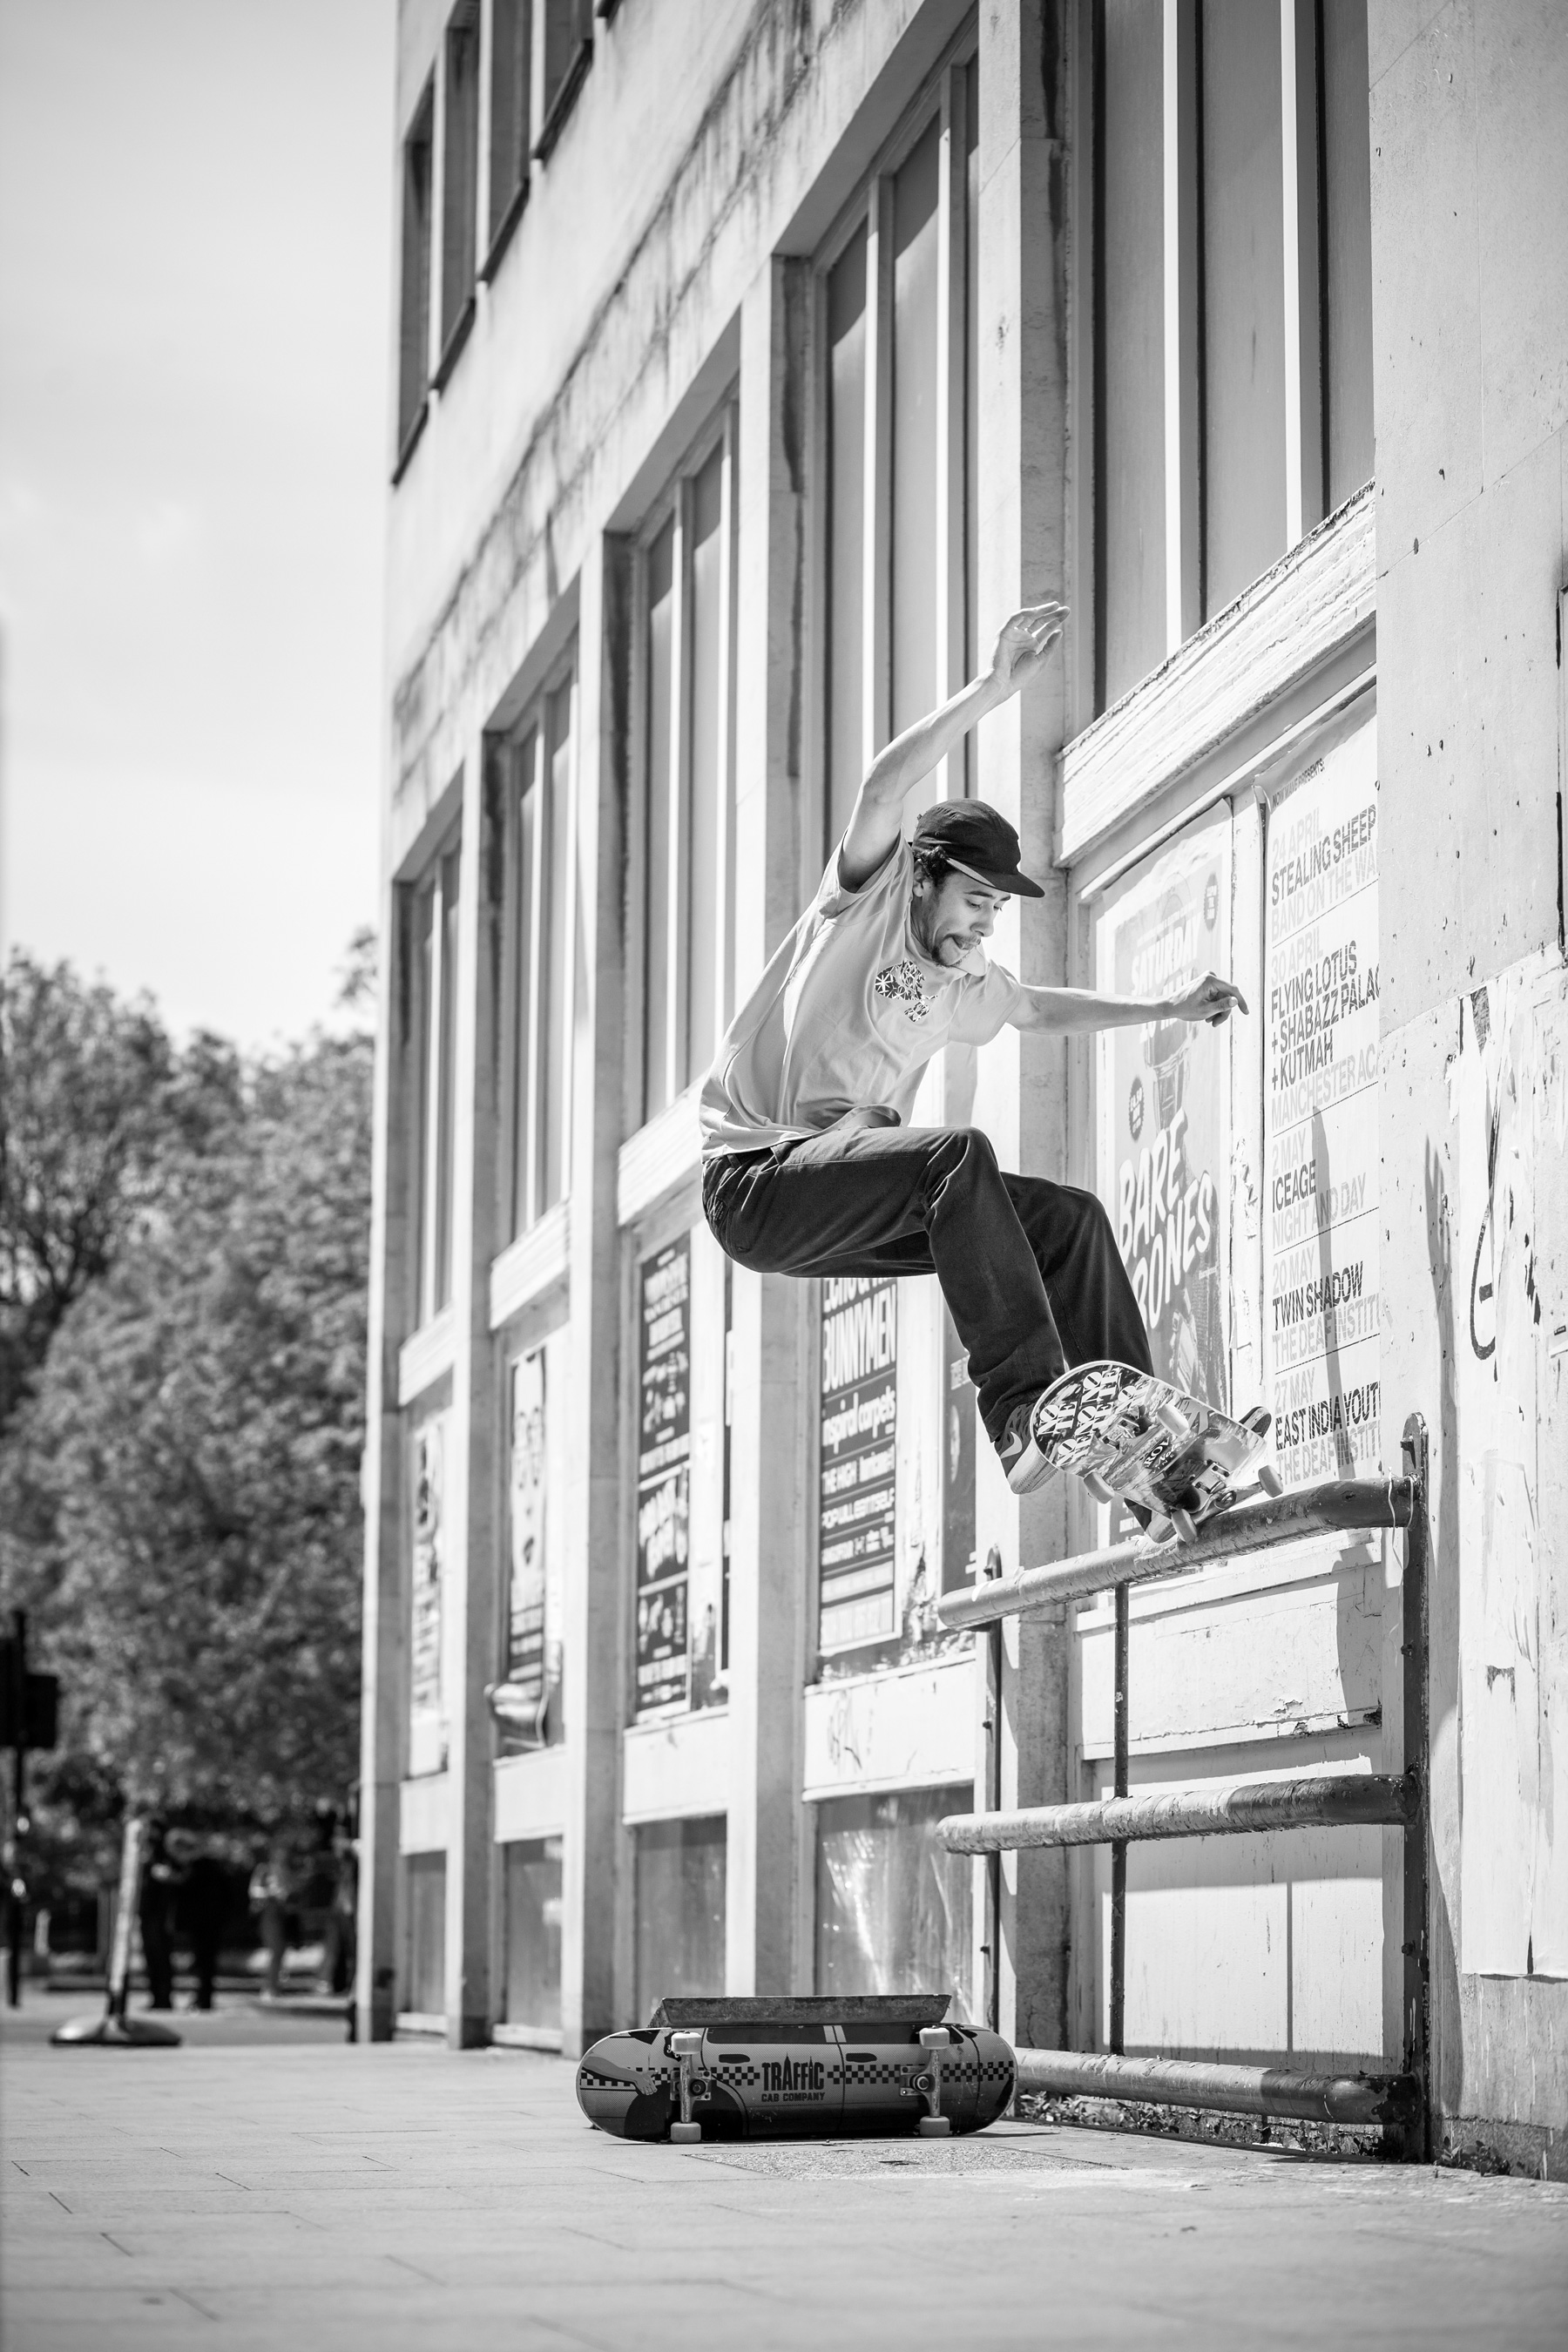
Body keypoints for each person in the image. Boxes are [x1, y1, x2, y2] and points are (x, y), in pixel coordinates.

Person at [700, 604, 1247, 1494]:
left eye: (995, 910)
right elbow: (883, 786)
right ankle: (1022, 1412)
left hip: (845, 1195)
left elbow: (1036, 1009)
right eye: (972, 900)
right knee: (955, 1157)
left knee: (1068, 1222)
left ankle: (1150, 1451)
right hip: (756, 1183)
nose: (982, 924)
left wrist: (1166, 1005)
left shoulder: (965, 981)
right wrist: (993, 689)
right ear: (922, 879)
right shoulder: (866, 900)